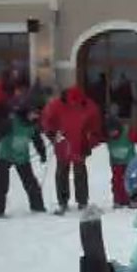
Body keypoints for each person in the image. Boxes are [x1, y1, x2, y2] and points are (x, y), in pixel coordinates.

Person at [41, 85, 102, 214]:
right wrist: (51, 133)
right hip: (63, 142)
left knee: (80, 172)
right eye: (72, 102)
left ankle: (82, 201)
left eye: (77, 102)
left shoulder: (89, 106)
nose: (75, 105)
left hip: (80, 143)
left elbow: (95, 126)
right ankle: (63, 201)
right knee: (62, 171)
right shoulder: (56, 105)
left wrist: (90, 142)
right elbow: (47, 120)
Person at [0, 93, 46, 217]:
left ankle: (38, 206)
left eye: (37, 114)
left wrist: (42, 154)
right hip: (5, 156)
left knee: (31, 183)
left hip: (22, 158)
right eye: (34, 113)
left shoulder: (33, 126)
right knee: (1, 184)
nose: (36, 116)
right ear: (26, 112)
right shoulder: (11, 123)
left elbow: (37, 141)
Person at [103, 112, 137, 208]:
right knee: (117, 181)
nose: (112, 133)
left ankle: (132, 199)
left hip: (129, 162)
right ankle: (118, 200)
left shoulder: (128, 132)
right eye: (110, 132)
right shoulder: (106, 136)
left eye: (114, 131)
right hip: (116, 163)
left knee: (131, 180)